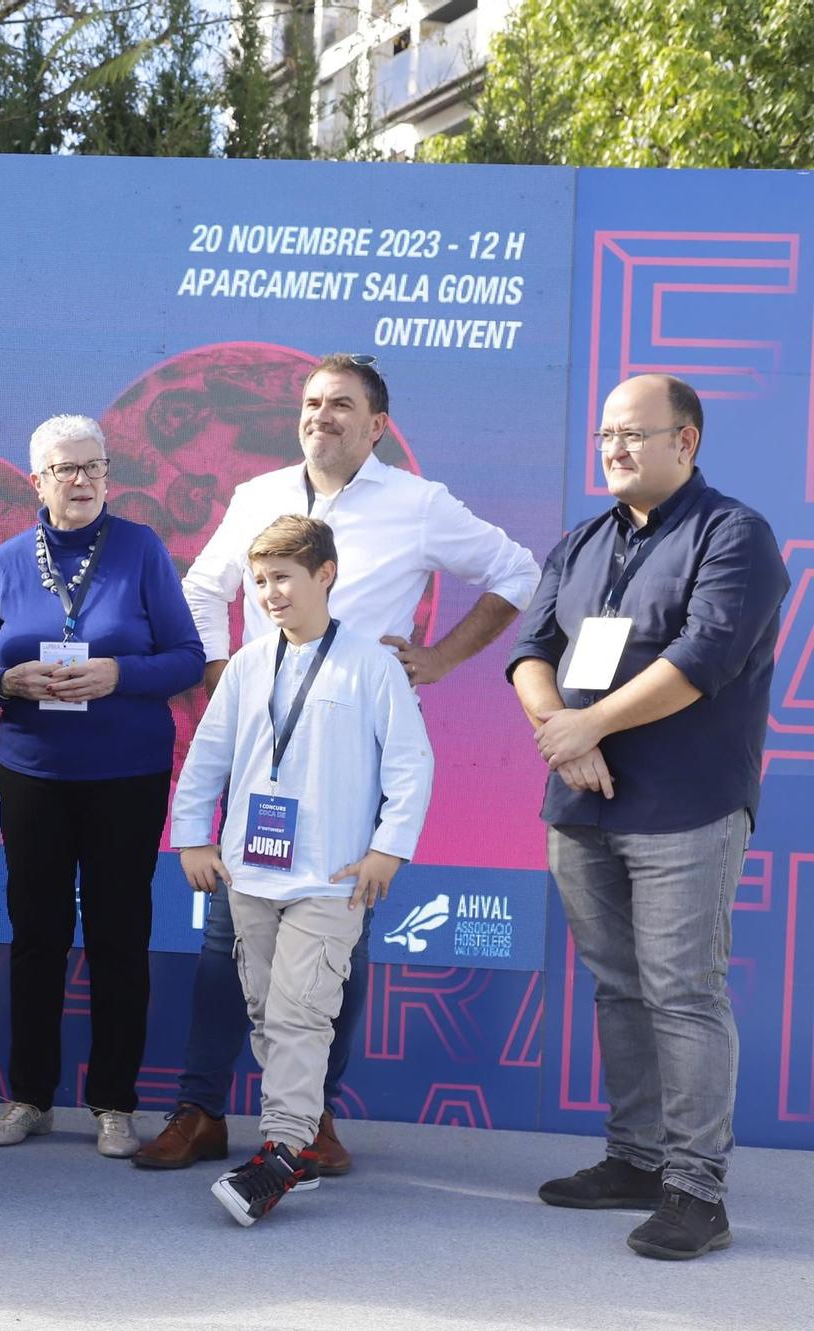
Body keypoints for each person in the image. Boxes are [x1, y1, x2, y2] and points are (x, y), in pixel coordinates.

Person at [140, 353, 538, 1175]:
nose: (322, 416)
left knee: (337, 947)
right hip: (262, 748)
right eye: (313, 402)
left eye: (343, 405)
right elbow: (203, 587)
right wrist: (224, 676)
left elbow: (519, 572)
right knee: (227, 945)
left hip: (353, 752)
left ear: (377, 424)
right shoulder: (258, 496)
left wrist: (438, 657)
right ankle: (201, 1109)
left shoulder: (418, 503)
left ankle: (311, 1119)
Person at [508, 374, 787, 1261]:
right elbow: (530, 649)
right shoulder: (582, 539)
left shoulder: (734, 534)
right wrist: (564, 736)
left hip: (686, 805)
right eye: (605, 434)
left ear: (687, 441)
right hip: (580, 800)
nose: (615, 448)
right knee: (618, 986)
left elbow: (704, 657)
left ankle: (697, 1189)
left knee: (683, 991)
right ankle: (633, 1157)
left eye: (634, 433)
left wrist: (589, 723)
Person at [171, 515, 433, 1227]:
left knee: (300, 1010)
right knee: (266, 1010)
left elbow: (411, 762)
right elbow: (208, 755)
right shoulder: (250, 663)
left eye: (284, 576)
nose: (270, 592)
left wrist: (388, 848)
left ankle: (285, 1151)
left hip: (332, 878)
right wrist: (193, 837)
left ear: (326, 574)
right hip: (251, 875)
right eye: (258, 581)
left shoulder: (371, 664)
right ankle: (295, 1128)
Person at [0, 415, 204, 1158]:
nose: (83, 480)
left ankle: (113, 1102)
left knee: (118, 935)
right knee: (35, 935)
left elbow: (188, 658)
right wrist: (8, 679)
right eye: (66, 469)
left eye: (94, 466)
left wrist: (119, 674)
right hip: (33, 773)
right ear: (36, 480)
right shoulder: (4, 560)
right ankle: (30, 1096)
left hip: (125, 774)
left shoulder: (141, 550)